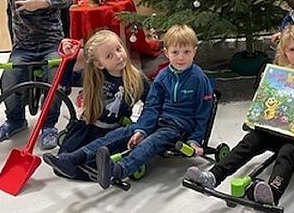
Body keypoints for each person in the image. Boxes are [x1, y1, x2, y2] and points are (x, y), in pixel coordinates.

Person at [186, 25, 294, 206]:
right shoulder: (280, 74)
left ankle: (272, 193)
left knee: (288, 150)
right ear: (284, 53)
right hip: (277, 128)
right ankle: (213, 176)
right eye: (292, 49)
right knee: (251, 140)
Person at [42, 24, 214, 189]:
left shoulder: (198, 78)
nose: (181, 57)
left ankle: (118, 169)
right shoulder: (162, 77)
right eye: (175, 52)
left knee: (152, 141)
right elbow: (152, 107)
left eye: (186, 52)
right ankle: (74, 158)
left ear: (194, 51)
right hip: (156, 120)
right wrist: (141, 129)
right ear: (166, 53)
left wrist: (195, 139)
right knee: (124, 132)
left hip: (178, 126)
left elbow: (203, 111)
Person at [0, 0, 75, 149]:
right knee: (9, 78)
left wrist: (42, 2)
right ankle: (15, 120)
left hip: (51, 46)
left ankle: (49, 125)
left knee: (55, 79)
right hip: (23, 48)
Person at [42, 31, 149, 181]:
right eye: (109, 56)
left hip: (113, 131)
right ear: (99, 63)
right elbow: (64, 84)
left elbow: (152, 103)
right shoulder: (93, 76)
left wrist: (142, 125)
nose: (118, 56)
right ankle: (77, 165)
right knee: (61, 163)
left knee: (95, 161)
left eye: (119, 49)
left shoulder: (137, 78)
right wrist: (69, 59)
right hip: (88, 126)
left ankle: (92, 169)